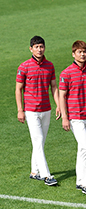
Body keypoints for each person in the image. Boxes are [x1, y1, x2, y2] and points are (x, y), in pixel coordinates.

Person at [59, 40, 86, 196]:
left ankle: (79, 180)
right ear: (73, 54)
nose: (83, 54)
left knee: (82, 149)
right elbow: (62, 96)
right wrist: (65, 117)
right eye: (79, 52)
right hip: (75, 117)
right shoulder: (66, 73)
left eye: (84, 51)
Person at [16, 36, 60, 187]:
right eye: (36, 47)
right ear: (31, 49)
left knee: (39, 142)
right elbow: (18, 89)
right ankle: (46, 175)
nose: (39, 49)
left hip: (46, 109)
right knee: (39, 140)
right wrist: (20, 110)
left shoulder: (50, 66)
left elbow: (54, 87)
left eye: (41, 47)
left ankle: (34, 171)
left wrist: (59, 105)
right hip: (31, 111)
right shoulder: (24, 66)